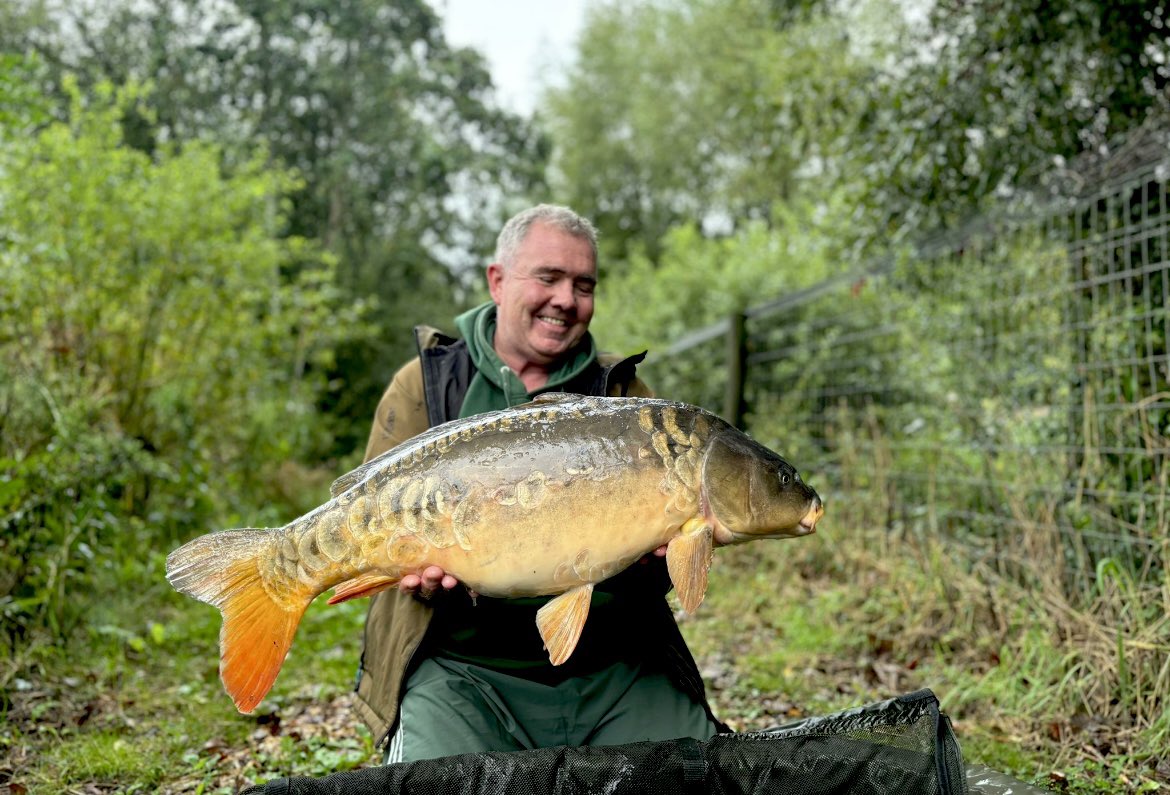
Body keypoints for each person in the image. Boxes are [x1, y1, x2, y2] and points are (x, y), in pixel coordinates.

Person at [353, 204, 725, 763]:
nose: (566, 300)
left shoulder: (622, 394)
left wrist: (659, 565)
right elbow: (367, 520)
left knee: (696, 775)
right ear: (497, 282)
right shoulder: (425, 384)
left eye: (584, 284)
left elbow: (669, 566)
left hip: (613, 667)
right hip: (463, 670)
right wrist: (408, 575)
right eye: (548, 277)